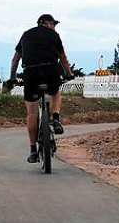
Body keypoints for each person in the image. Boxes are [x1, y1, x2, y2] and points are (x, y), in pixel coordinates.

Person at [8, 14, 74, 163]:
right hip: (51, 71)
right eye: (52, 23)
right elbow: (63, 58)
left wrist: (12, 78)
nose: (54, 27)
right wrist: (69, 74)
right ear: (44, 23)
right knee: (56, 92)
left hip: (30, 73)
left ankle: (33, 150)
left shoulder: (26, 35)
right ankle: (55, 118)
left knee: (31, 112)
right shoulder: (54, 36)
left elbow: (15, 59)